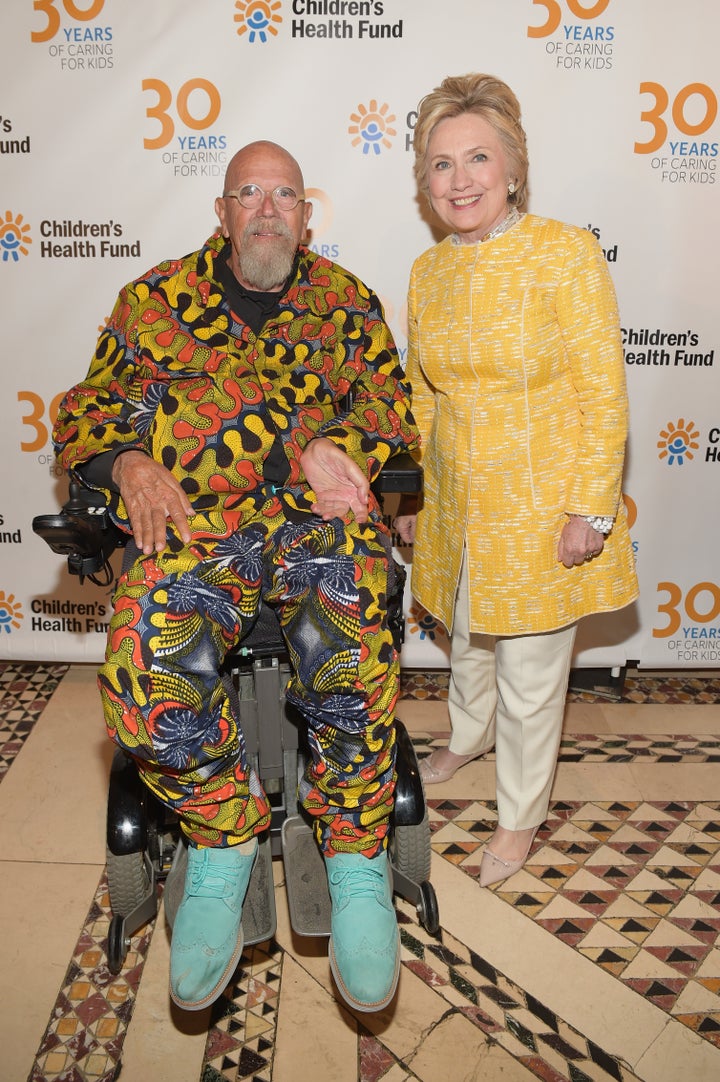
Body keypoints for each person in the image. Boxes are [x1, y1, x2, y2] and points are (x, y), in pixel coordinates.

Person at [53, 140, 418, 1013]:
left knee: (355, 629)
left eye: (283, 194)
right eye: (247, 192)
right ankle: (221, 836)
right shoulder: (153, 302)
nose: (265, 208)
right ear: (221, 213)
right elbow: (89, 411)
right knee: (144, 662)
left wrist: (346, 448)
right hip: (195, 524)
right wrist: (128, 463)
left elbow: (392, 412)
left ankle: (356, 853)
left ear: (305, 215)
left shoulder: (346, 304)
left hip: (314, 523)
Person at [394, 74, 638, 887]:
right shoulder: (427, 272)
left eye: (476, 159)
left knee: (532, 678)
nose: (459, 179)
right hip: (458, 503)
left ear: (512, 169)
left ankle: (521, 818)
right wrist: (412, 495)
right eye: (440, 164)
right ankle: (466, 735)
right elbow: (422, 395)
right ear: (425, 182)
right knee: (466, 637)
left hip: (543, 506)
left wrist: (590, 514)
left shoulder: (564, 253)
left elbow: (605, 394)